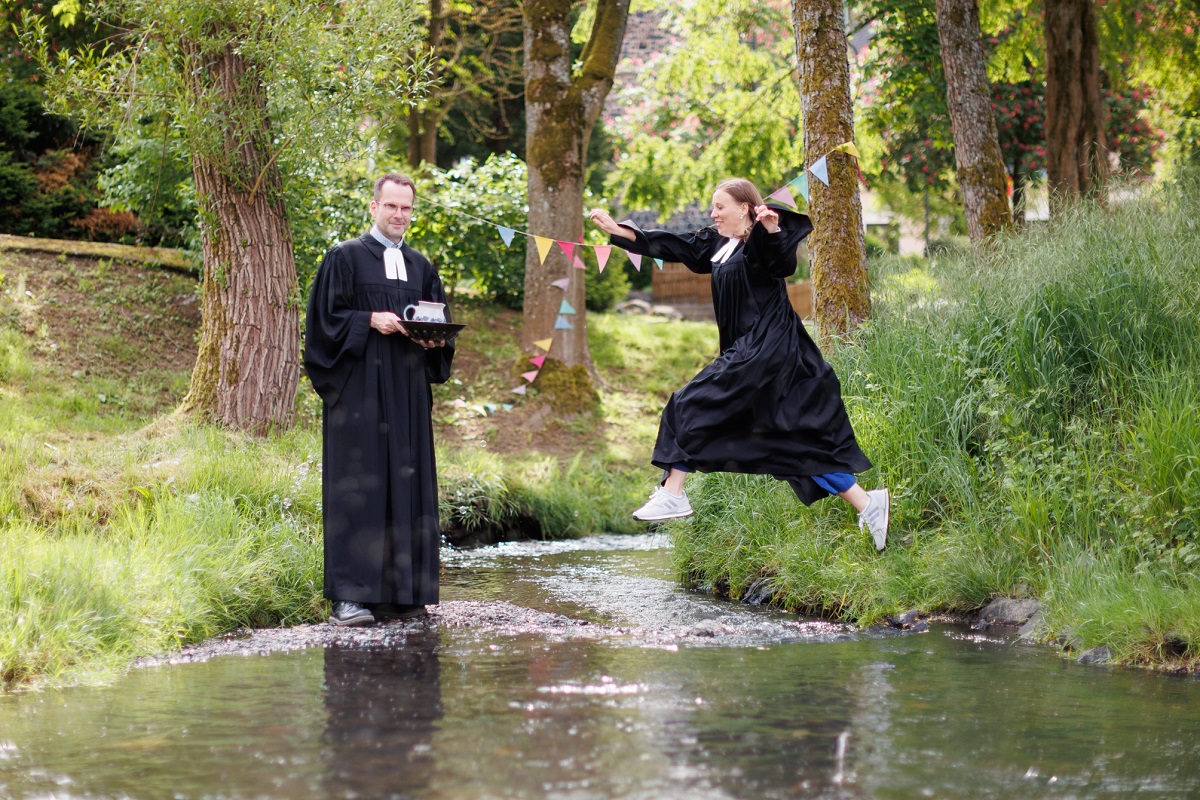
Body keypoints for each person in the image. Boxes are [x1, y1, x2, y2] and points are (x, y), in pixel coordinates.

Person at [588, 178, 889, 550]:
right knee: (790, 445)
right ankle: (869, 503)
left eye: (720, 207)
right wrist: (620, 232)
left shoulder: (760, 240)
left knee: (686, 403)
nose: (713, 214)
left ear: (745, 207)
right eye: (713, 208)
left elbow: (781, 262)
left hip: (768, 348)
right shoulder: (716, 245)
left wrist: (772, 227)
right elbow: (672, 244)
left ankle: (674, 492)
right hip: (749, 354)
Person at [304, 173, 455, 626]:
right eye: (391, 206)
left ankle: (403, 593)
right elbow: (323, 323)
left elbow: (438, 324)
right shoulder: (345, 258)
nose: (399, 215)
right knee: (359, 490)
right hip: (359, 395)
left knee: (406, 487)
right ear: (373, 207)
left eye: (406, 208)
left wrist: (435, 342)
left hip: (407, 395)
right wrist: (370, 319)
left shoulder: (422, 267)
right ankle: (349, 598)